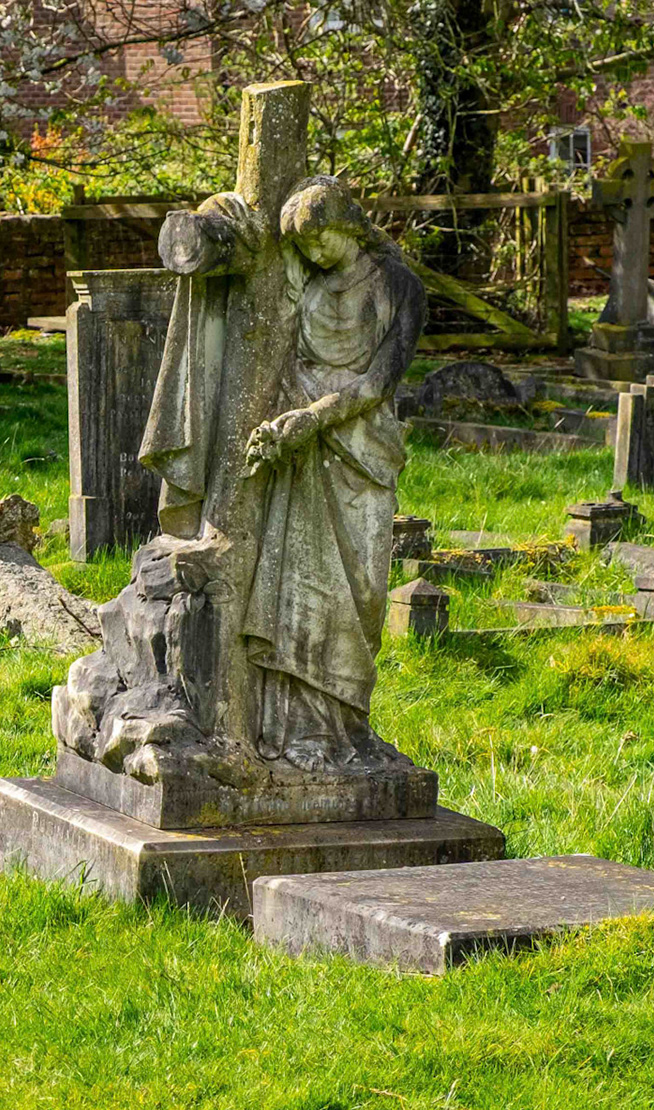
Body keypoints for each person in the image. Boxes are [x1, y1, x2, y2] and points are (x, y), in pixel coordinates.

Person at [241, 176, 426, 770]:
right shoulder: (308, 285)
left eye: (322, 242)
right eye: (306, 249)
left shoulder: (400, 286)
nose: (316, 256)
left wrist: (313, 419)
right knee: (299, 588)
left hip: (359, 443)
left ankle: (348, 726)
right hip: (302, 448)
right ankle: (298, 733)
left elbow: (378, 382)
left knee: (363, 592)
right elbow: (285, 353)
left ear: (348, 224)